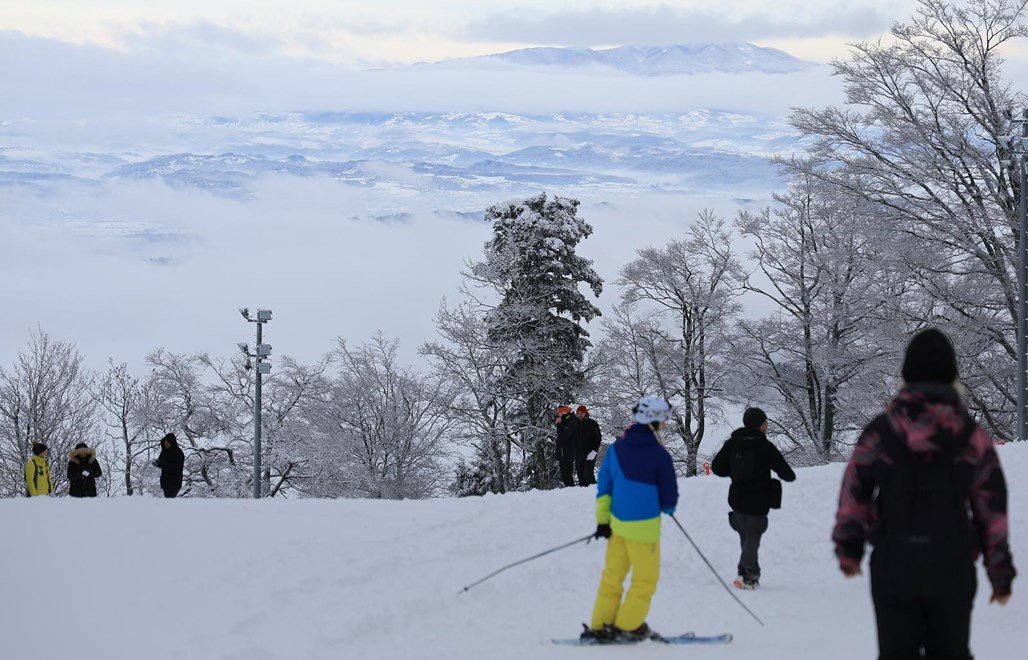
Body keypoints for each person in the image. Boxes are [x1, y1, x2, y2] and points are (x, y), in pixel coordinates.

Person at [832, 328, 1016, 660]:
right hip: (952, 565)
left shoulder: (881, 431)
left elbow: (854, 492)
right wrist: (999, 571)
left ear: (905, 373)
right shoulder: (969, 436)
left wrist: (849, 548)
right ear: (952, 375)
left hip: (894, 566)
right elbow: (991, 509)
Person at [581, 395, 679, 644]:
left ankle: (600, 625)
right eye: (663, 420)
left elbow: (604, 488)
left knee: (612, 578)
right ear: (654, 421)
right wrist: (667, 506)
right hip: (644, 530)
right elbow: (669, 498)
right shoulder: (659, 455)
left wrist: (603, 521)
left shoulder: (615, 450)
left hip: (616, 527)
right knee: (644, 581)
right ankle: (628, 626)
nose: (665, 424)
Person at [711, 407, 796, 589]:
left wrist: (734, 473)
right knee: (752, 536)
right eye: (765, 421)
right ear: (760, 424)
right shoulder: (765, 446)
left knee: (746, 536)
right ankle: (746, 574)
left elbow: (717, 467)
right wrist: (784, 476)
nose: (767, 424)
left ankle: (753, 573)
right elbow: (786, 473)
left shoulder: (732, 443)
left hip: (737, 497)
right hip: (759, 499)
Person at [575, 404, 602, 487]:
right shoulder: (575, 424)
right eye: (578, 413)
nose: (580, 414)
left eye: (582, 413)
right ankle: (583, 494)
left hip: (590, 453)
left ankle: (594, 491)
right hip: (578, 454)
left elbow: (598, 438)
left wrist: (594, 451)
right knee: (580, 476)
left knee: (588, 474)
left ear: (585, 413)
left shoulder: (592, 424)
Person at [154, 432, 185, 498]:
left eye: (167, 442)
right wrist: (157, 464)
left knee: (170, 499)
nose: (165, 444)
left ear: (171, 442)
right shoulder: (164, 451)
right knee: (168, 499)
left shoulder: (178, 453)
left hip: (175, 482)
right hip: (165, 481)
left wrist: (163, 465)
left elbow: (177, 467)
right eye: (164, 442)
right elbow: (161, 461)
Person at [555, 406, 578, 487]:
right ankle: (570, 491)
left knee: (567, 475)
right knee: (564, 475)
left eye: (559, 412)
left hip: (568, 451)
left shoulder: (571, 421)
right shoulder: (565, 420)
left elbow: (564, 434)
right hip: (563, 451)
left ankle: (572, 491)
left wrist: (559, 424)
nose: (558, 414)